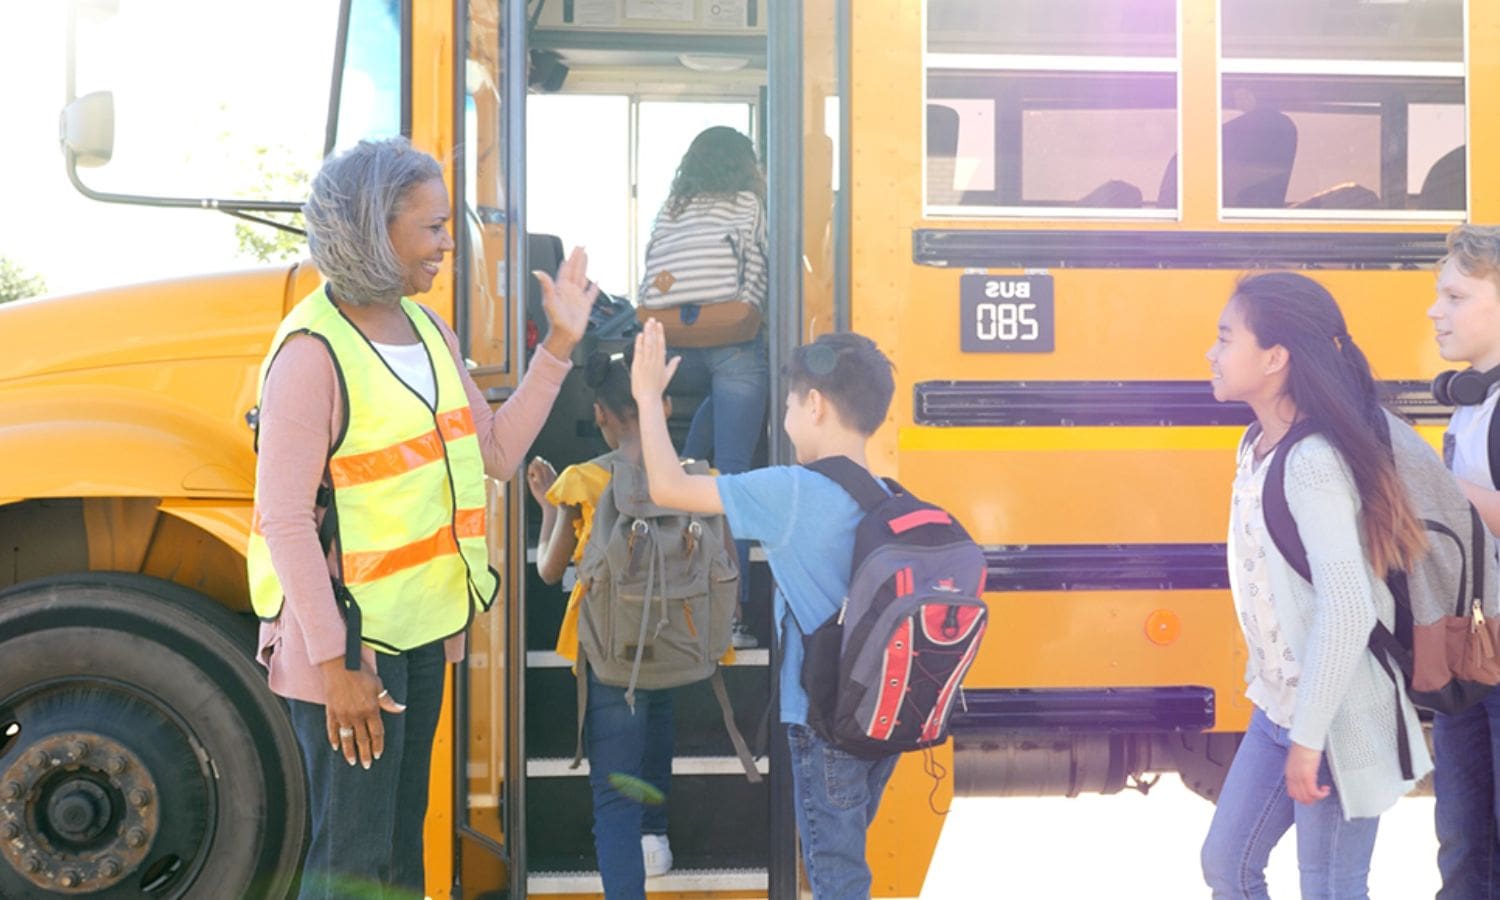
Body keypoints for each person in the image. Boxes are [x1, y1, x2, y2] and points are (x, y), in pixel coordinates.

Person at [248, 136, 596, 899]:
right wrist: (338, 667)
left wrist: (560, 346)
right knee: (351, 862)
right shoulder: (312, 354)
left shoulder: (429, 333)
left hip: (419, 633)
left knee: (398, 857)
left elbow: (497, 456)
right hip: (350, 648)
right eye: (432, 228)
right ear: (376, 228)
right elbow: (282, 518)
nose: (448, 246)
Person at [628, 318, 899, 899]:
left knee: (835, 877)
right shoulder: (889, 495)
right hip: (884, 715)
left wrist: (648, 398)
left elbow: (669, 488)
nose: (785, 419)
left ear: (816, 405)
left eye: (790, 406)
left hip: (823, 722)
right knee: (843, 859)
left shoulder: (792, 491)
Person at [1199, 272, 1433, 899]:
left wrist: (1309, 739)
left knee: (1329, 886)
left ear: (1274, 358)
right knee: (1228, 863)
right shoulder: (1255, 448)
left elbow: (1349, 608)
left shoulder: (1311, 464)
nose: (1211, 354)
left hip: (1335, 716)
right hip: (1280, 708)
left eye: (1225, 339)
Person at [525, 351, 678, 896]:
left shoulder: (582, 480)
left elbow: (548, 571)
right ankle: (656, 841)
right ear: (660, 406)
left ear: (599, 415)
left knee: (614, 800)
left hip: (610, 652)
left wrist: (547, 510)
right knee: (658, 732)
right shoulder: (690, 476)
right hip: (674, 642)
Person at [645, 126, 770, 648]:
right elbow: (768, 261)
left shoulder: (674, 207)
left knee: (692, 463)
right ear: (745, 163)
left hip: (676, 340)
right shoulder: (749, 202)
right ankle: (733, 615)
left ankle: (673, 587)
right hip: (734, 333)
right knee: (734, 478)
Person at [1427, 223, 1500, 898]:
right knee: (1464, 834)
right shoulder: (1472, 405)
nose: (1434, 311)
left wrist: (1431, 492)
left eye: (1454, 296)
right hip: (1472, 644)